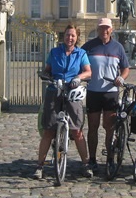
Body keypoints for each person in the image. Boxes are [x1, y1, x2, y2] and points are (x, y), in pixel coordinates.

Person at [34, 24, 93, 180]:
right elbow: (47, 70)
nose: (70, 38)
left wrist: (78, 78)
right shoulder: (54, 52)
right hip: (55, 91)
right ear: (64, 36)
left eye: (73, 35)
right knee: (48, 130)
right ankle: (40, 165)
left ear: (77, 37)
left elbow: (88, 71)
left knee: (77, 131)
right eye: (67, 35)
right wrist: (47, 77)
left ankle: (85, 164)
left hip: (73, 92)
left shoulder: (81, 53)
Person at [81, 17, 130, 172]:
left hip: (111, 92)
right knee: (93, 126)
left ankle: (109, 158)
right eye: (102, 28)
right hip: (93, 91)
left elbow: (126, 67)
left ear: (111, 30)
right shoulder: (89, 46)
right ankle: (93, 159)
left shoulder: (118, 47)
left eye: (107, 28)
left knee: (109, 127)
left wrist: (121, 77)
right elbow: (78, 62)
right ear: (98, 29)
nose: (104, 31)